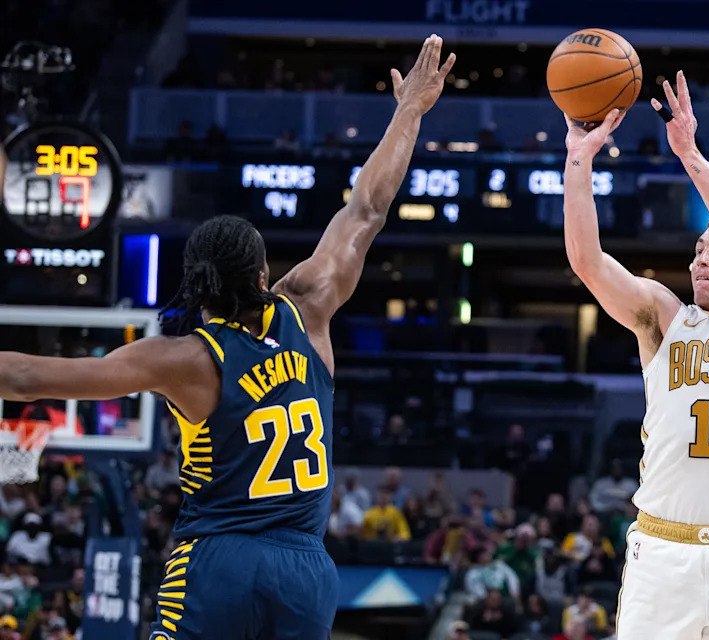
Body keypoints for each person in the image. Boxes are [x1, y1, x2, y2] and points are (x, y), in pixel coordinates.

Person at [0, 35, 455, 640]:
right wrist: (410, 112)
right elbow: (367, 208)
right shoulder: (309, 307)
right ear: (264, 275)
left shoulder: (184, 359)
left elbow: (26, 376)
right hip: (307, 571)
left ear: (195, 285)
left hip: (220, 558)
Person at [563, 70, 709, 639]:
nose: (701, 260)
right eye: (697, 251)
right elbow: (587, 262)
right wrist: (578, 160)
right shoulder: (664, 317)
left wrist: (689, 154)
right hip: (662, 553)